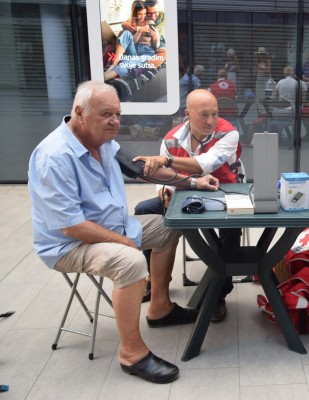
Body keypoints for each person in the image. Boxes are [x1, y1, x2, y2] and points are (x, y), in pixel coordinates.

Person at [28, 81, 220, 384]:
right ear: (79, 113)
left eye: (117, 114)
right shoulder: (54, 157)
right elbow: (72, 225)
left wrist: (195, 183)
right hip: (71, 244)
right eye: (106, 114)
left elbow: (143, 169)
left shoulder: (102, 143)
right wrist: (123, 242)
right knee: (130, 261)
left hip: (114, 228)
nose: (115, 121)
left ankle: (159, 308)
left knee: (172, 226)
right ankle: (132, 354)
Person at [133, 89, 242, 322]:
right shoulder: (171, 138)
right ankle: (155, 279)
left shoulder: (228, 133)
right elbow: (162, 176)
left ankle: (219, 293)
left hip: (222, 190)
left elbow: (206, 164)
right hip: (184, 191)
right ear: (187, 114)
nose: (211, 121)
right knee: (144, 210)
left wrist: (168, 160)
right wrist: (165, 193)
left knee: (232, 229)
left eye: (215, 114)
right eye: (204, 115)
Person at [104, 0, 165, 81]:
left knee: (128, 62)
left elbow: (155, 47)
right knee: (126, 33)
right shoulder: (133, 22)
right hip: (135, 51)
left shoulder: (151, 23)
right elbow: (133, 41)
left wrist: (157, 39)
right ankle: (114, 64)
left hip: (146, 53)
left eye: (144, 14)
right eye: (140, 14)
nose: (143, 16)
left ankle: (105, 77)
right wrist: (139, 31)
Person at [254, 47, 272, 117]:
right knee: (258, 96)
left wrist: (261, 68)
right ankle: (260, 113)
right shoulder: (258, 61)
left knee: (265, 96)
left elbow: (269, 72)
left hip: (265, 80)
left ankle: (266, 113)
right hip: (259, 80)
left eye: (262, 54)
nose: (260, 55)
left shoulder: (267, 61)